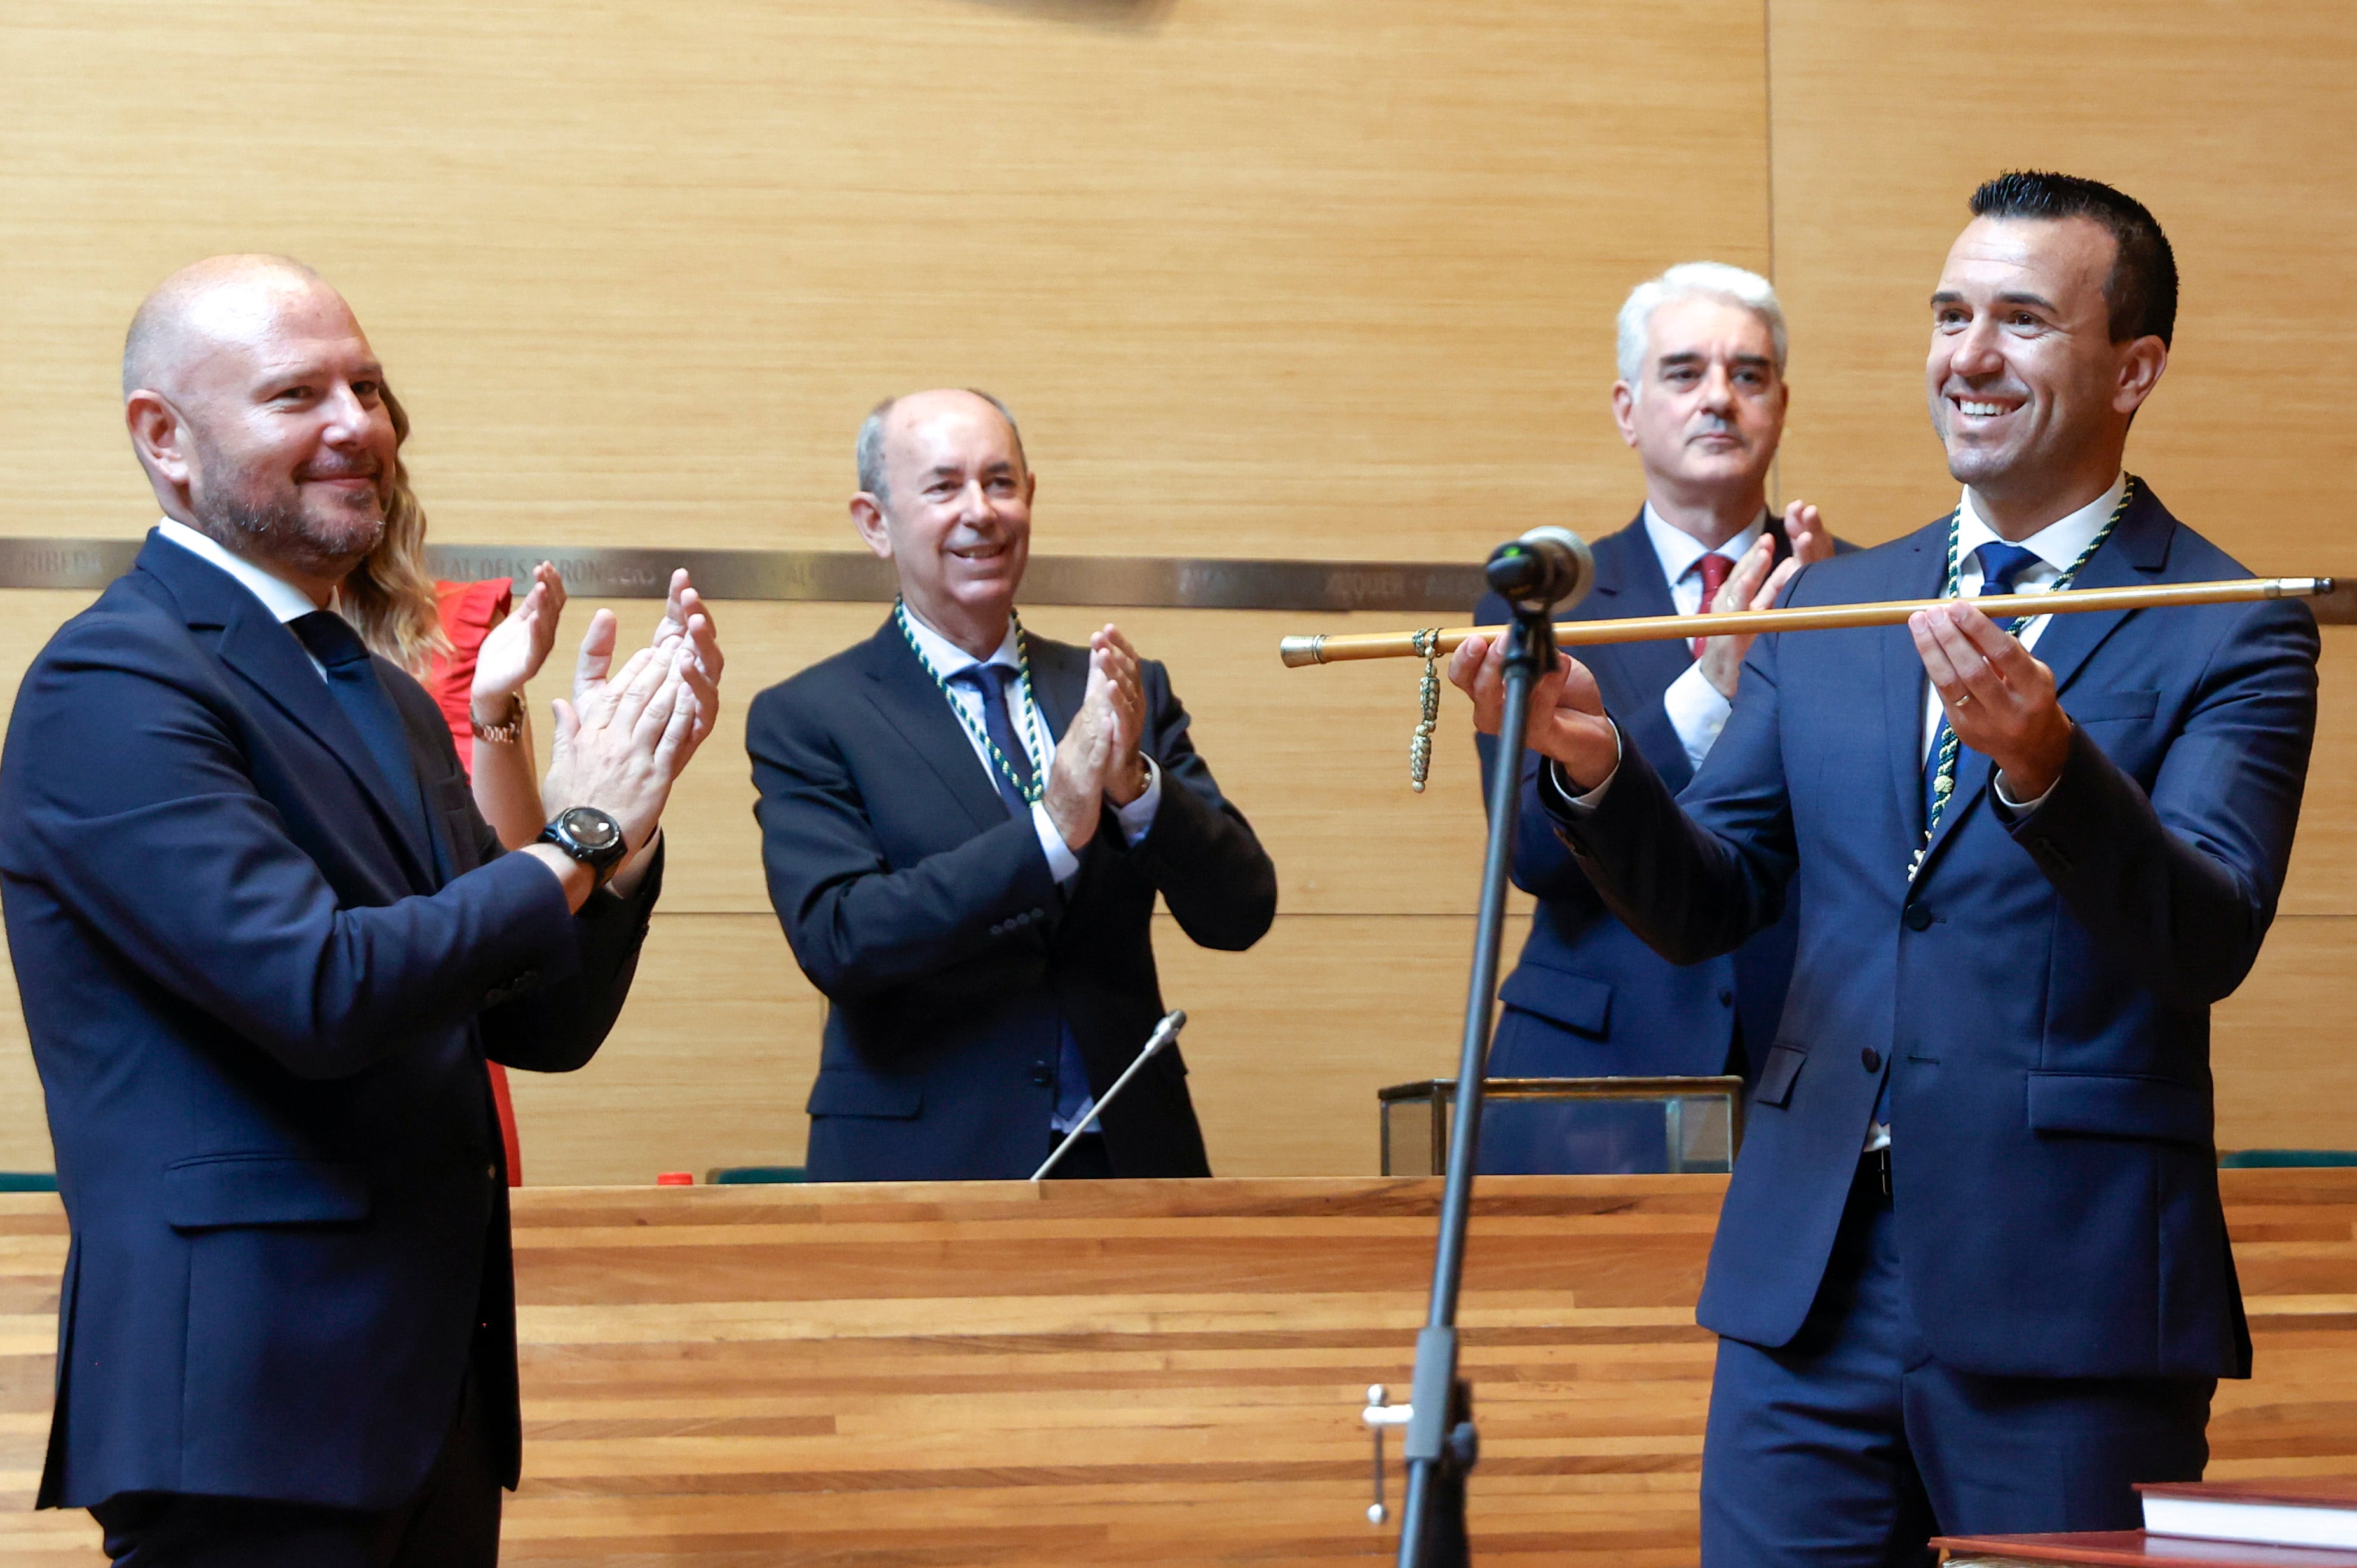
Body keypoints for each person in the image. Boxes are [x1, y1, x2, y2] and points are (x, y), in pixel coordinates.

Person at [1451, 172, 2320, 1562]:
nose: (1968, 357)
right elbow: (1713, 896)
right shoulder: (1847, 600)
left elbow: (2205, 936)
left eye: (2023, 321)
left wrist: (2049, 768)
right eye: (1950, 314)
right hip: (1810, 1276)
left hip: (2070, 1293)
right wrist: (1598, 772)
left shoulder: (2230, 626)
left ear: (2134, 367)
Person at [0, 253, 724, 1565]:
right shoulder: (111, 680)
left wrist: (627, 824)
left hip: (426, 1394)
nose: (361, 426)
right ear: (164, 439)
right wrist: (573, 832)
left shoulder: (379, 693)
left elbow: (536, 1020)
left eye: (371, 388)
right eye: (297, 394)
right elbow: (321, 994)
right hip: (243, 1413)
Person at [747, 388, 1277, 1181]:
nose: (981, 511)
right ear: (874, 522)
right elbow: (841, 938)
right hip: (922, 1167)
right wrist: (1049, 833)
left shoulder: (1117, 688)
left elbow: (1241, 911)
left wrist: (1135, 787)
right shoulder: (813, 715)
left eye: (1001, 482)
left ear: (1031, 497)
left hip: (1131, 1154)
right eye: (943, 486)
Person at [1472, 262, 1837, 1173]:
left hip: (1809, 1058)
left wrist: (1830, 638)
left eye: (1747, 375)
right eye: (1684, 373)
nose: (1719, 398)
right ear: (1628, 409)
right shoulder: (1540, 605)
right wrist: (1709, 691)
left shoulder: (1863, 596)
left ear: (1780, 406)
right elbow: (1532, 849)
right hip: (1593, 1070)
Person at [344, 388, 578, 1180]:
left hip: (445, 1033)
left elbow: (509, 864)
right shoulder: (185, 653)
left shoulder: (456, 627)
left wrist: (494, 703)